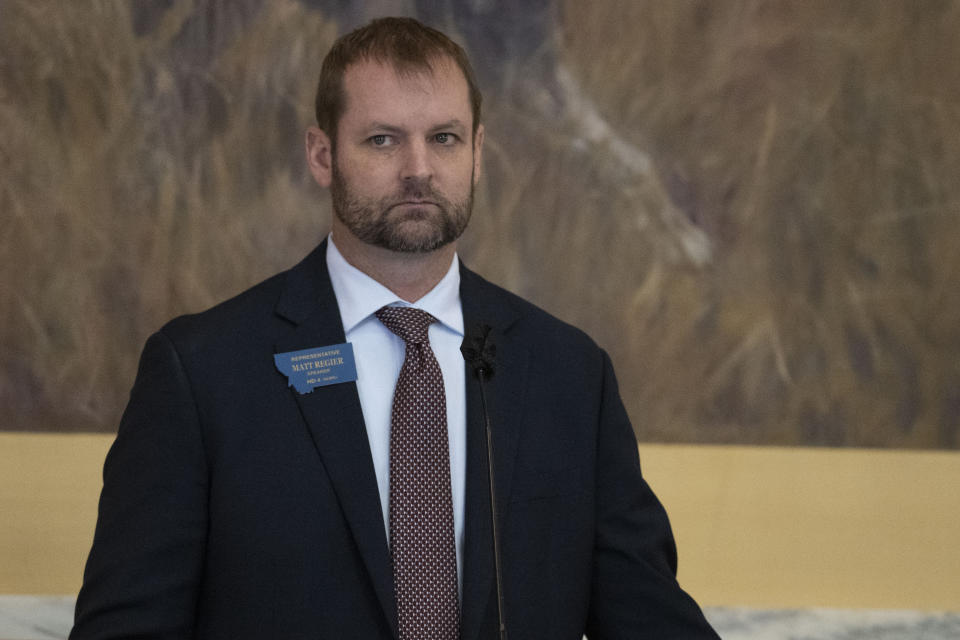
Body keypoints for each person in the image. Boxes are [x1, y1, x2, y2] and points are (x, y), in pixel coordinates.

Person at [71, 16, 719, 640]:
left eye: (444, 138)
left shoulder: (567, 375)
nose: (419, 169)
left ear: (478, 153)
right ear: (322, 154)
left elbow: (648, 617)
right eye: (383, 139)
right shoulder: (202, 372)